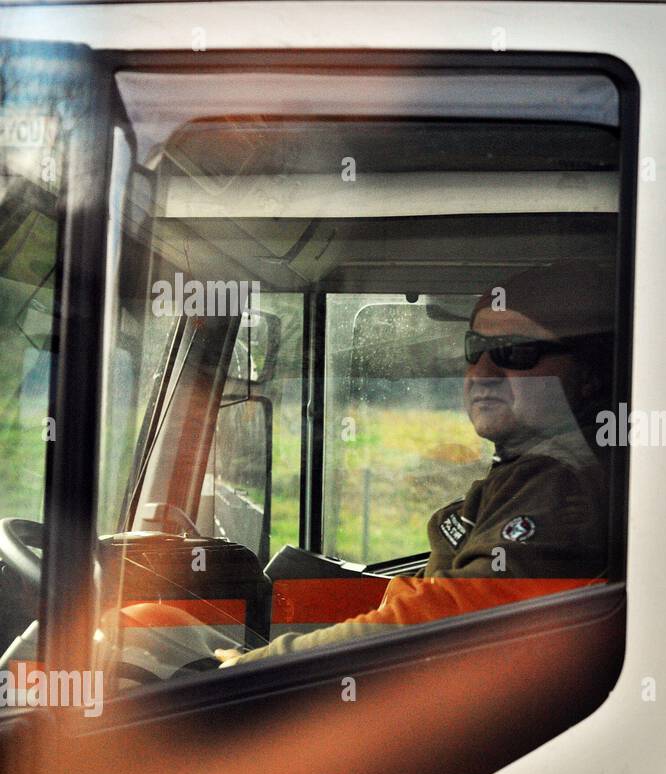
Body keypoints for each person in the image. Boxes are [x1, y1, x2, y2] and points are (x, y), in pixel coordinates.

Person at [214, 259, 616, 666]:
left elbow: (451, 618)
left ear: (589, 375)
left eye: (516, 352)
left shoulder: (562, 481)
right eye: (475, 350)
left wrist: (264, 666)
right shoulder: (534, 471)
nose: (482, 372)